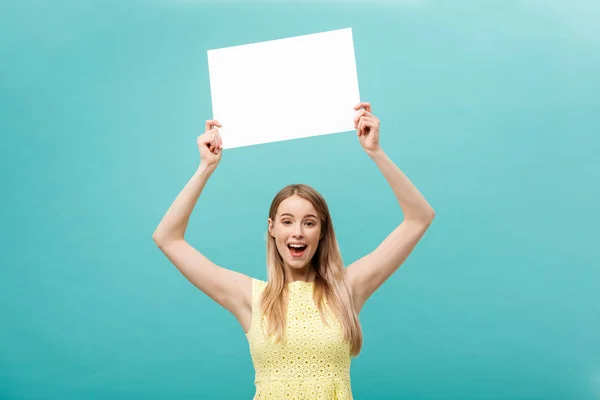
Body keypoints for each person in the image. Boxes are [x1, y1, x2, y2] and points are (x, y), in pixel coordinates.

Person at [152, 102, 435, 399]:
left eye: (309, 222)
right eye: (287, 221)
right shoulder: (250, 297)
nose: (297, 231)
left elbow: (419, 218)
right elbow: (167, 238)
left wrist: (375, 152)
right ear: (272, 228)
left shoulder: (346, 290)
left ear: (322, 231)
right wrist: (204, 168)